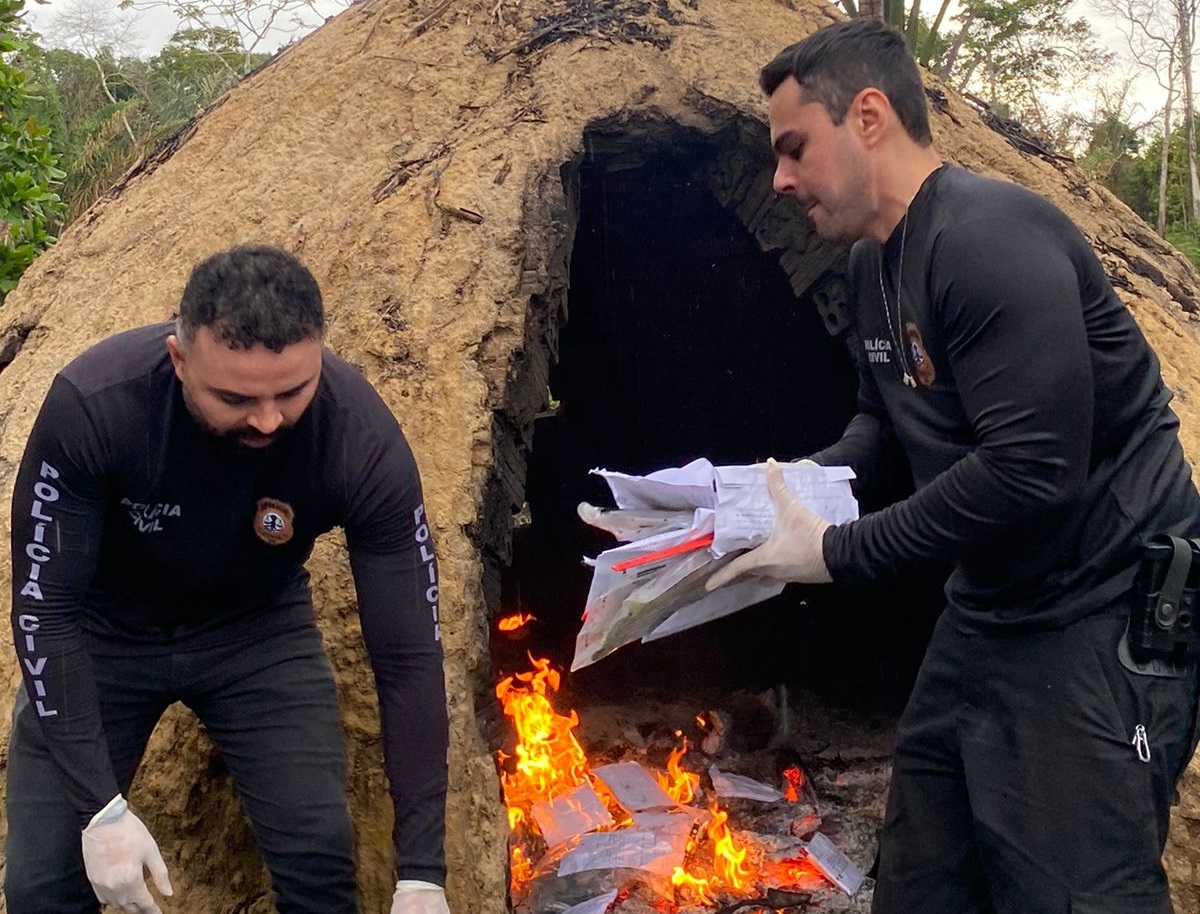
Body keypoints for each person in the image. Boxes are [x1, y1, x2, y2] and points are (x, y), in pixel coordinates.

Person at [707, 18, 1200, 914]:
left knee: (1074, 893)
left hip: (1102, 611)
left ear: (867, 116)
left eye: (792, 148)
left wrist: (835, 552)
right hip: (989, 611)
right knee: (925, 880)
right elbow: (882, 425)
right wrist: (779, 490)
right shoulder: (869, 270)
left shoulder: (990, 238)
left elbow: (1030, 469)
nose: (778, 178)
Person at [6, 244, 451, 914]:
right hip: (103, 636)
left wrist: (423, 874)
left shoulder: (358, 438)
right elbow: (46, 611)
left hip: (256, 632)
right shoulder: (98, 406)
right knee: (42, 885)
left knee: (321, 864)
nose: (268, 419)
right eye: (236, 397)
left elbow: (411, 656)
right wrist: (101, 814)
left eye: (292, 391)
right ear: (180, 360)